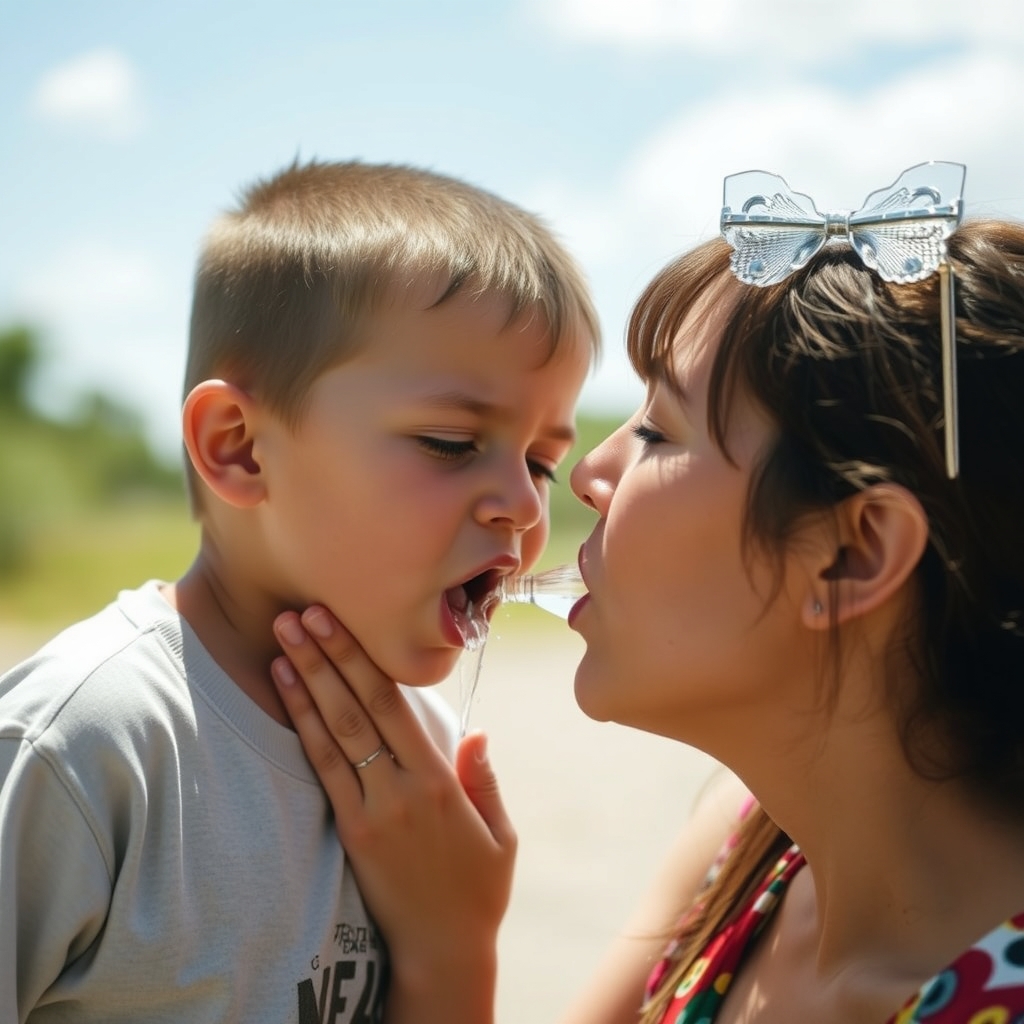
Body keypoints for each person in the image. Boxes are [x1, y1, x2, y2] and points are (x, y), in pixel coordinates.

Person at [270, 163, 1024, 1023]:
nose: (587, 473)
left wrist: (447, 951)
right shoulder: (756, 845)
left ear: (853, 555)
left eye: (659, 432)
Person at [0, 158, 599, 1023]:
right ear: (239, 448)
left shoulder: (415, 767)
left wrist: (459, 947)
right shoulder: (83, 749)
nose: (522, 505)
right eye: (450, 441)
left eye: (543, 461)